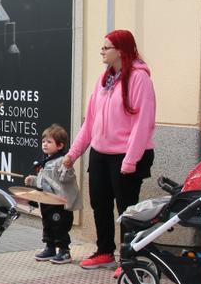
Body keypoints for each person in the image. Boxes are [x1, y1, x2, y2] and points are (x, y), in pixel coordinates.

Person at [62, 30, 156, 270]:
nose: (102, 51)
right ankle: (104, 251)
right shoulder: (105, 79)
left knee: (127, 209)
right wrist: (73, 153)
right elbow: (90, 122)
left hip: (127, 155)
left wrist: (131, 160)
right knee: (100, 203)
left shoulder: (139, 78)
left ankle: (129, 258)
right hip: (101, 153)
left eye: (106, 48)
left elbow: (143, 122)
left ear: (121, 51)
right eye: (102, 47)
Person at [24, 124, 79, 263]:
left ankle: (64, 251)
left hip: (59, 203)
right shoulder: (46, 161)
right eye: (43, 141)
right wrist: (33, 180)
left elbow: (66, 178)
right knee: (47, 225)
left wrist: (67, 168)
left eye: (49, 142)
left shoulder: (62, 161)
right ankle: (50, 248)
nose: (45, 144)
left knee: (60, 227)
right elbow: (45, 180)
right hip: (47, 201)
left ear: (60, 146)